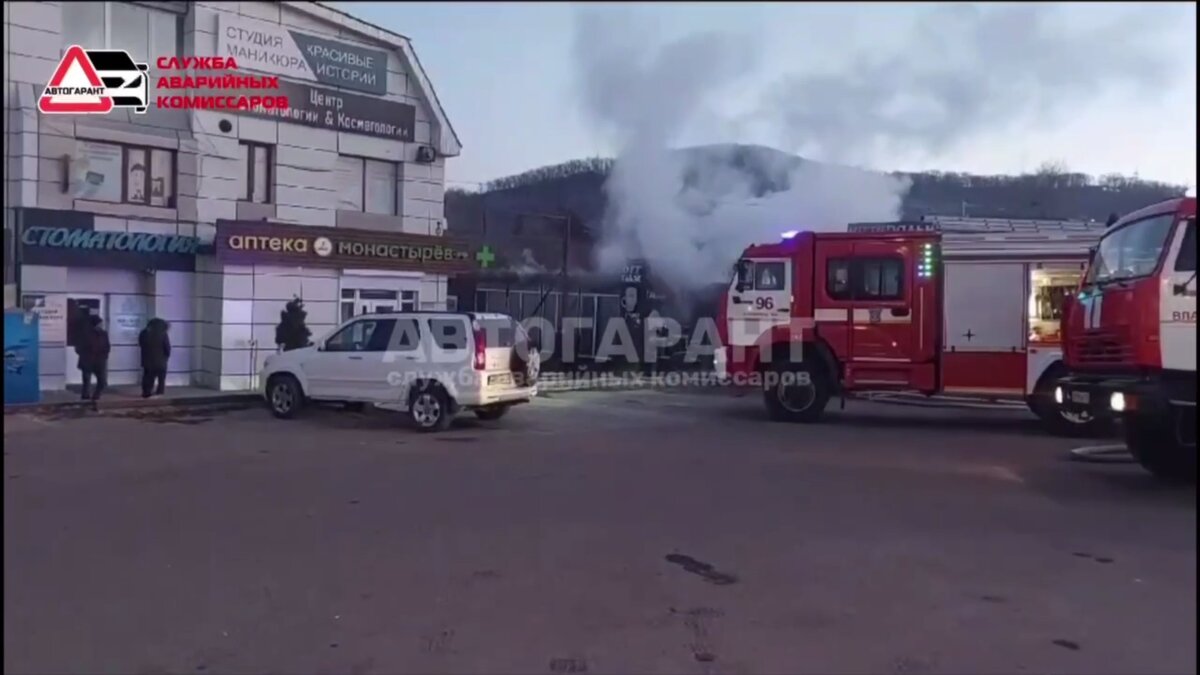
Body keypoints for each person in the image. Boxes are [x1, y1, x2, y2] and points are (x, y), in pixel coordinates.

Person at [77, 315, 110, 403]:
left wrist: (104, 356)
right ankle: (85, 397)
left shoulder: (103, 333)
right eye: (100, 323)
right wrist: (85, 354)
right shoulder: (85, 333)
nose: (101, 325)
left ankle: (96, 396)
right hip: (87, 360)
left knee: (102, 381)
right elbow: (79, 347)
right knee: (87, 381)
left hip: (100, 361)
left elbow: (107, 346)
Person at [138, 318, 171, 398]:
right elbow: (167, 347)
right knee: (161, 378)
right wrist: (166, 357)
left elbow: (141, 344)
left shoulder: (144, 333)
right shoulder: (163, 334)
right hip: (161, 361)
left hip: (147, 360)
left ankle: (146, 392)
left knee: (148, 377)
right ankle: (160, 391)